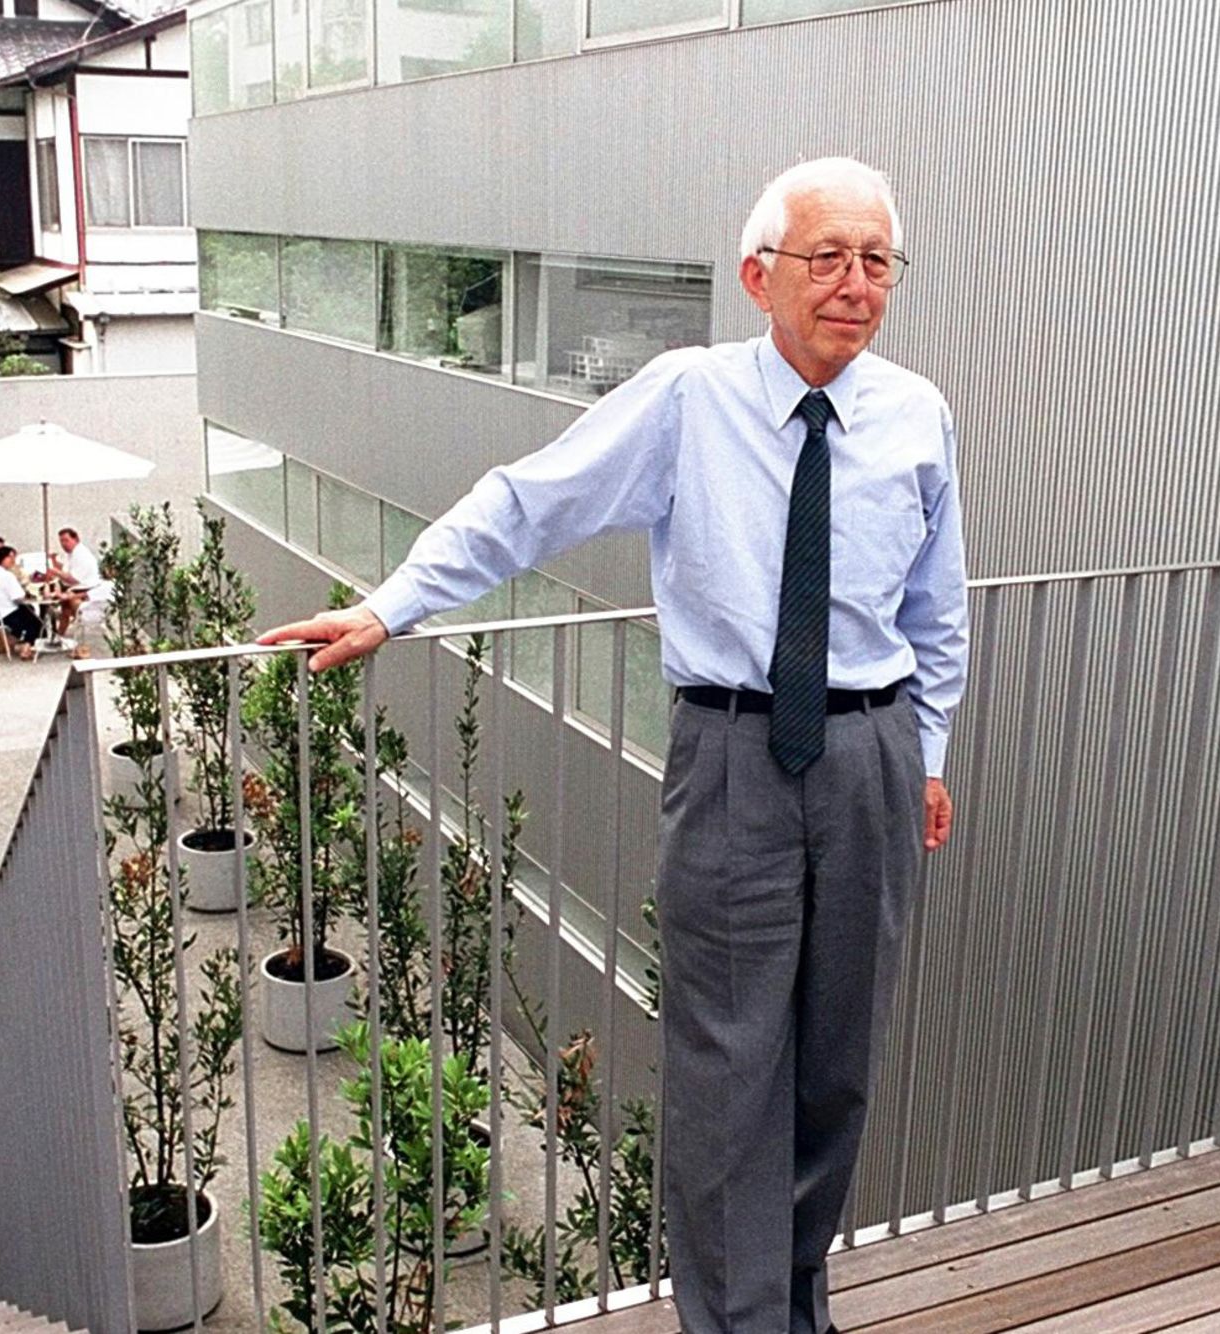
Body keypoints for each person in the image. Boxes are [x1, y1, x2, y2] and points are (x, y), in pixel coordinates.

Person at [260, 156, 967, 1334]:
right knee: (728, 1070)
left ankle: (794, 1301)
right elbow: (527, 500)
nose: (855, 283)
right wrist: (391, 604)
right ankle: (734, 1321)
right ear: (759, 276)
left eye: (876, 260)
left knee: (836, 1063)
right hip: (736, 754)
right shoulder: (686, 396)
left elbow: (936, 610)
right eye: (827, 257)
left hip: (874, 759)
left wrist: (927, 750)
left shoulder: (917, 413)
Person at [0, 545, 41, 661]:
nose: (14, 561)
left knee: (28, 612)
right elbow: (18, 597)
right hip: (5, 613)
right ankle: (26, 647)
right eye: (12, 558)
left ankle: (19, 641)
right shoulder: (7, 576)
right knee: (36, 621)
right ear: (6, 558)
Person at [48, 526, 105, 638]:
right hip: (74, 586)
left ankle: (62, 632)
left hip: (84, 587)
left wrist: (54, 571)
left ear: (76, 539)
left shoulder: (81, 555)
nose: (63, 544)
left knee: (62, 599)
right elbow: (65, 569)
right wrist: (53, 561)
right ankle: (59, 634)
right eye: (61, 541)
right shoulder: (71, 553)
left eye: (66, 540)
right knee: (55, 593)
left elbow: (72, 579)